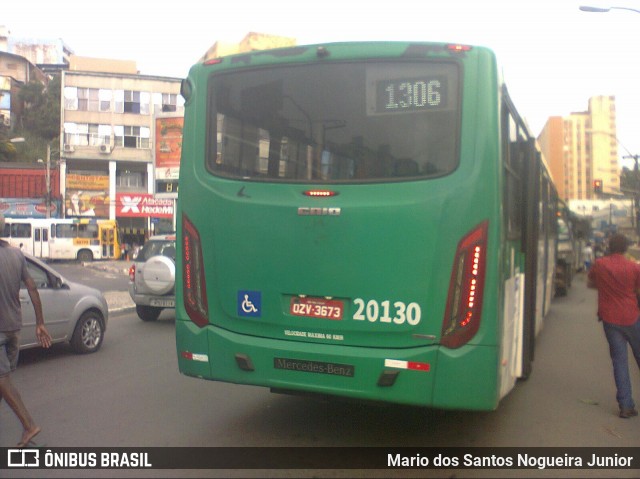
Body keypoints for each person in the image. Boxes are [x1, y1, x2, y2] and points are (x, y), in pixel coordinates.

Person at [0, 212, 52, 446]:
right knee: (4, 382)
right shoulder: (16, 255)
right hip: (14, 331)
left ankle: (29, 426)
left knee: (2, 380)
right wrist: (40, 323)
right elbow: (32, 288)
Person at [587, 234, 640, 418]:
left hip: (610, 319)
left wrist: (607, 289)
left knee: (620, 362)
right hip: (632, 317)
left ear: (609, 246)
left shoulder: (600, 264)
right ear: (626, 248)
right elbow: (637, 289)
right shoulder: (634, 267)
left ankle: (626, 406)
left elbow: (591, 283)